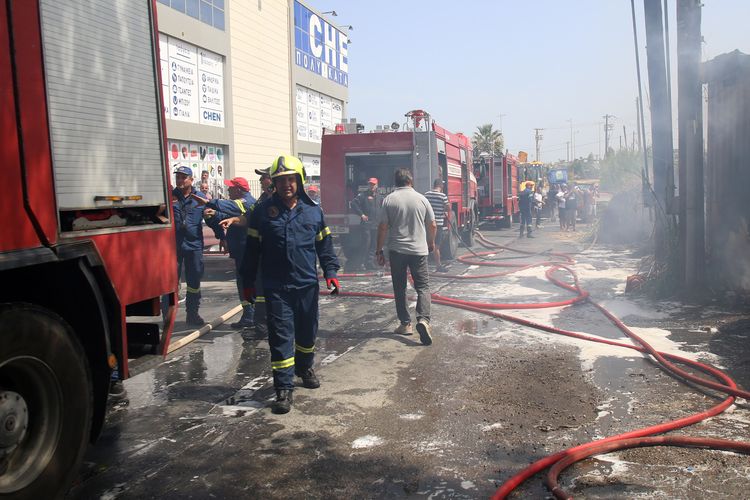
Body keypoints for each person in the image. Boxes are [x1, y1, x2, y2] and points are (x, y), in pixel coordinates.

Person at [241, 155, 340, 414]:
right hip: (276, 287)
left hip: (307, 284)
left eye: (291, 179)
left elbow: (324, 245)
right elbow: (251, 250)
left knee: (307, 333)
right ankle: (283, 389)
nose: (287, 184)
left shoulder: (314, 211)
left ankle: (305, 367)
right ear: (274, 183)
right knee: (281, 337)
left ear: (300, 180)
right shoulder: (262, 212)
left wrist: (331, 272)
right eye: (281, 180)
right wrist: (248, 282)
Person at [375, 168, 436, 346]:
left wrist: (379, 250)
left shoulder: (389, 200)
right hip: (419, 251)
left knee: (400, 287)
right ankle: (424, 320)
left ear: (396, 182)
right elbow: (432, 224)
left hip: (397, 251)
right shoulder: (422, 199)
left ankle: (405, 324)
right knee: (423, 286)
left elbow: (383, 227)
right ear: (411, 181)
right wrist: (430, 242)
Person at [198, 177, 257, 329]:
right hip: (240, 252)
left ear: (238, 189)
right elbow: (226, 216)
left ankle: (253, 317)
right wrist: (212, 215)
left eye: (230, 188)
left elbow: (230, 207)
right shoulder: (239, 204)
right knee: (242, 283)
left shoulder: (246, 202)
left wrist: (210, 203)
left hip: (247, 252)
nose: (228, 190)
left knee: (247, 283)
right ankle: (248, 315)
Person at [173, 166, 207, 326]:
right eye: (178, 177)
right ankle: (169, 319)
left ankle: (192, 314)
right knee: (171, 284)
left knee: (194, 282)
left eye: (183, 177)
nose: (180, 180)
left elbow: (211, 216)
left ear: (191, 180)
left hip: (194, 246)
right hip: (174, 247)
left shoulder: (200, 198)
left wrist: (222, 237)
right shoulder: (170, 197)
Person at [349, 177, 382, 271]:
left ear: (376, 185)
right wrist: (361, 214)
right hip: (366, 224)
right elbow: (353, 204)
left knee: (374, 244)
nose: (371, 186)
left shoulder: (379, 196)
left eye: (373, 184)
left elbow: (382, 208)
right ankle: (361, 264)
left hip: (376, 224)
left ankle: (369, 263)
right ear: (368, 185)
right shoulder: (363, 195)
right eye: (370, 184)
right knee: (366, 244)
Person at [424, 178, 450, 272]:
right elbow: (448, 208)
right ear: (441, 186)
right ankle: (438, 266)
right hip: (438, 224)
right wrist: (444, 210)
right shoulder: (443, 196)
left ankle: (423, 266)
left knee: (426, 245)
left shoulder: (426, 195)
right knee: (436, 246)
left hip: (427, 224)